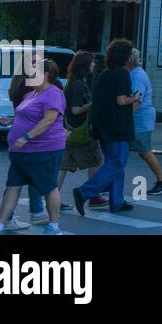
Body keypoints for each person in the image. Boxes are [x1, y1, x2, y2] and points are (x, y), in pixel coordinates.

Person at [0, 59, 67, 236]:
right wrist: (8, 120)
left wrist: (26, 136)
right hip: (21, 153)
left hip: (43, 149)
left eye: (33, 72)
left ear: (46, 74)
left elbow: (49, 119)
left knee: (48, 187)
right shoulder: (32, 94)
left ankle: (54, 227)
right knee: (12, 186)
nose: (28, 76)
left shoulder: (53, 93)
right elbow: (26, 116)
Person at [71, 39, 142, 216]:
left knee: (114, 162)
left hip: (103, 126)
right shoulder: (122, 74)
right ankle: (84, 192)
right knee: (117, 163)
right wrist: (135, 98)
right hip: (118, 126)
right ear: (125, 57)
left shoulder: (104, 74)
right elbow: (121, 100)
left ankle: (116, 201)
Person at [4, 55, 51, 229]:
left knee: (20, 177)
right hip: (29, 135)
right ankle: (35, 212)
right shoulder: (28, 85)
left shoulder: (18, 83)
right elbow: (32, 112)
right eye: (35, 63)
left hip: (21, 133)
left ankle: (32, 212)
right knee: (25, 176)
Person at [59, 50, 106, 208]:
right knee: (97, 160)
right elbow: (76, 109)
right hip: (80, 130)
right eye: (92, 62)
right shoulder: (78, 84)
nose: (94, 64)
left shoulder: (74, 82)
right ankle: (93, 195)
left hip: (69, 130)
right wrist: (95, 103)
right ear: (85, 65)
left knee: (63, 167)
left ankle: (52, 199)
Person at [127, 49, 162, 195]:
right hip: (139, 118)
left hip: (141, 119)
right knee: (124, 151)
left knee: (145, 151)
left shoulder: (137, 75)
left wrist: (124, 118)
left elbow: (136, 101)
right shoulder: (134, 73)